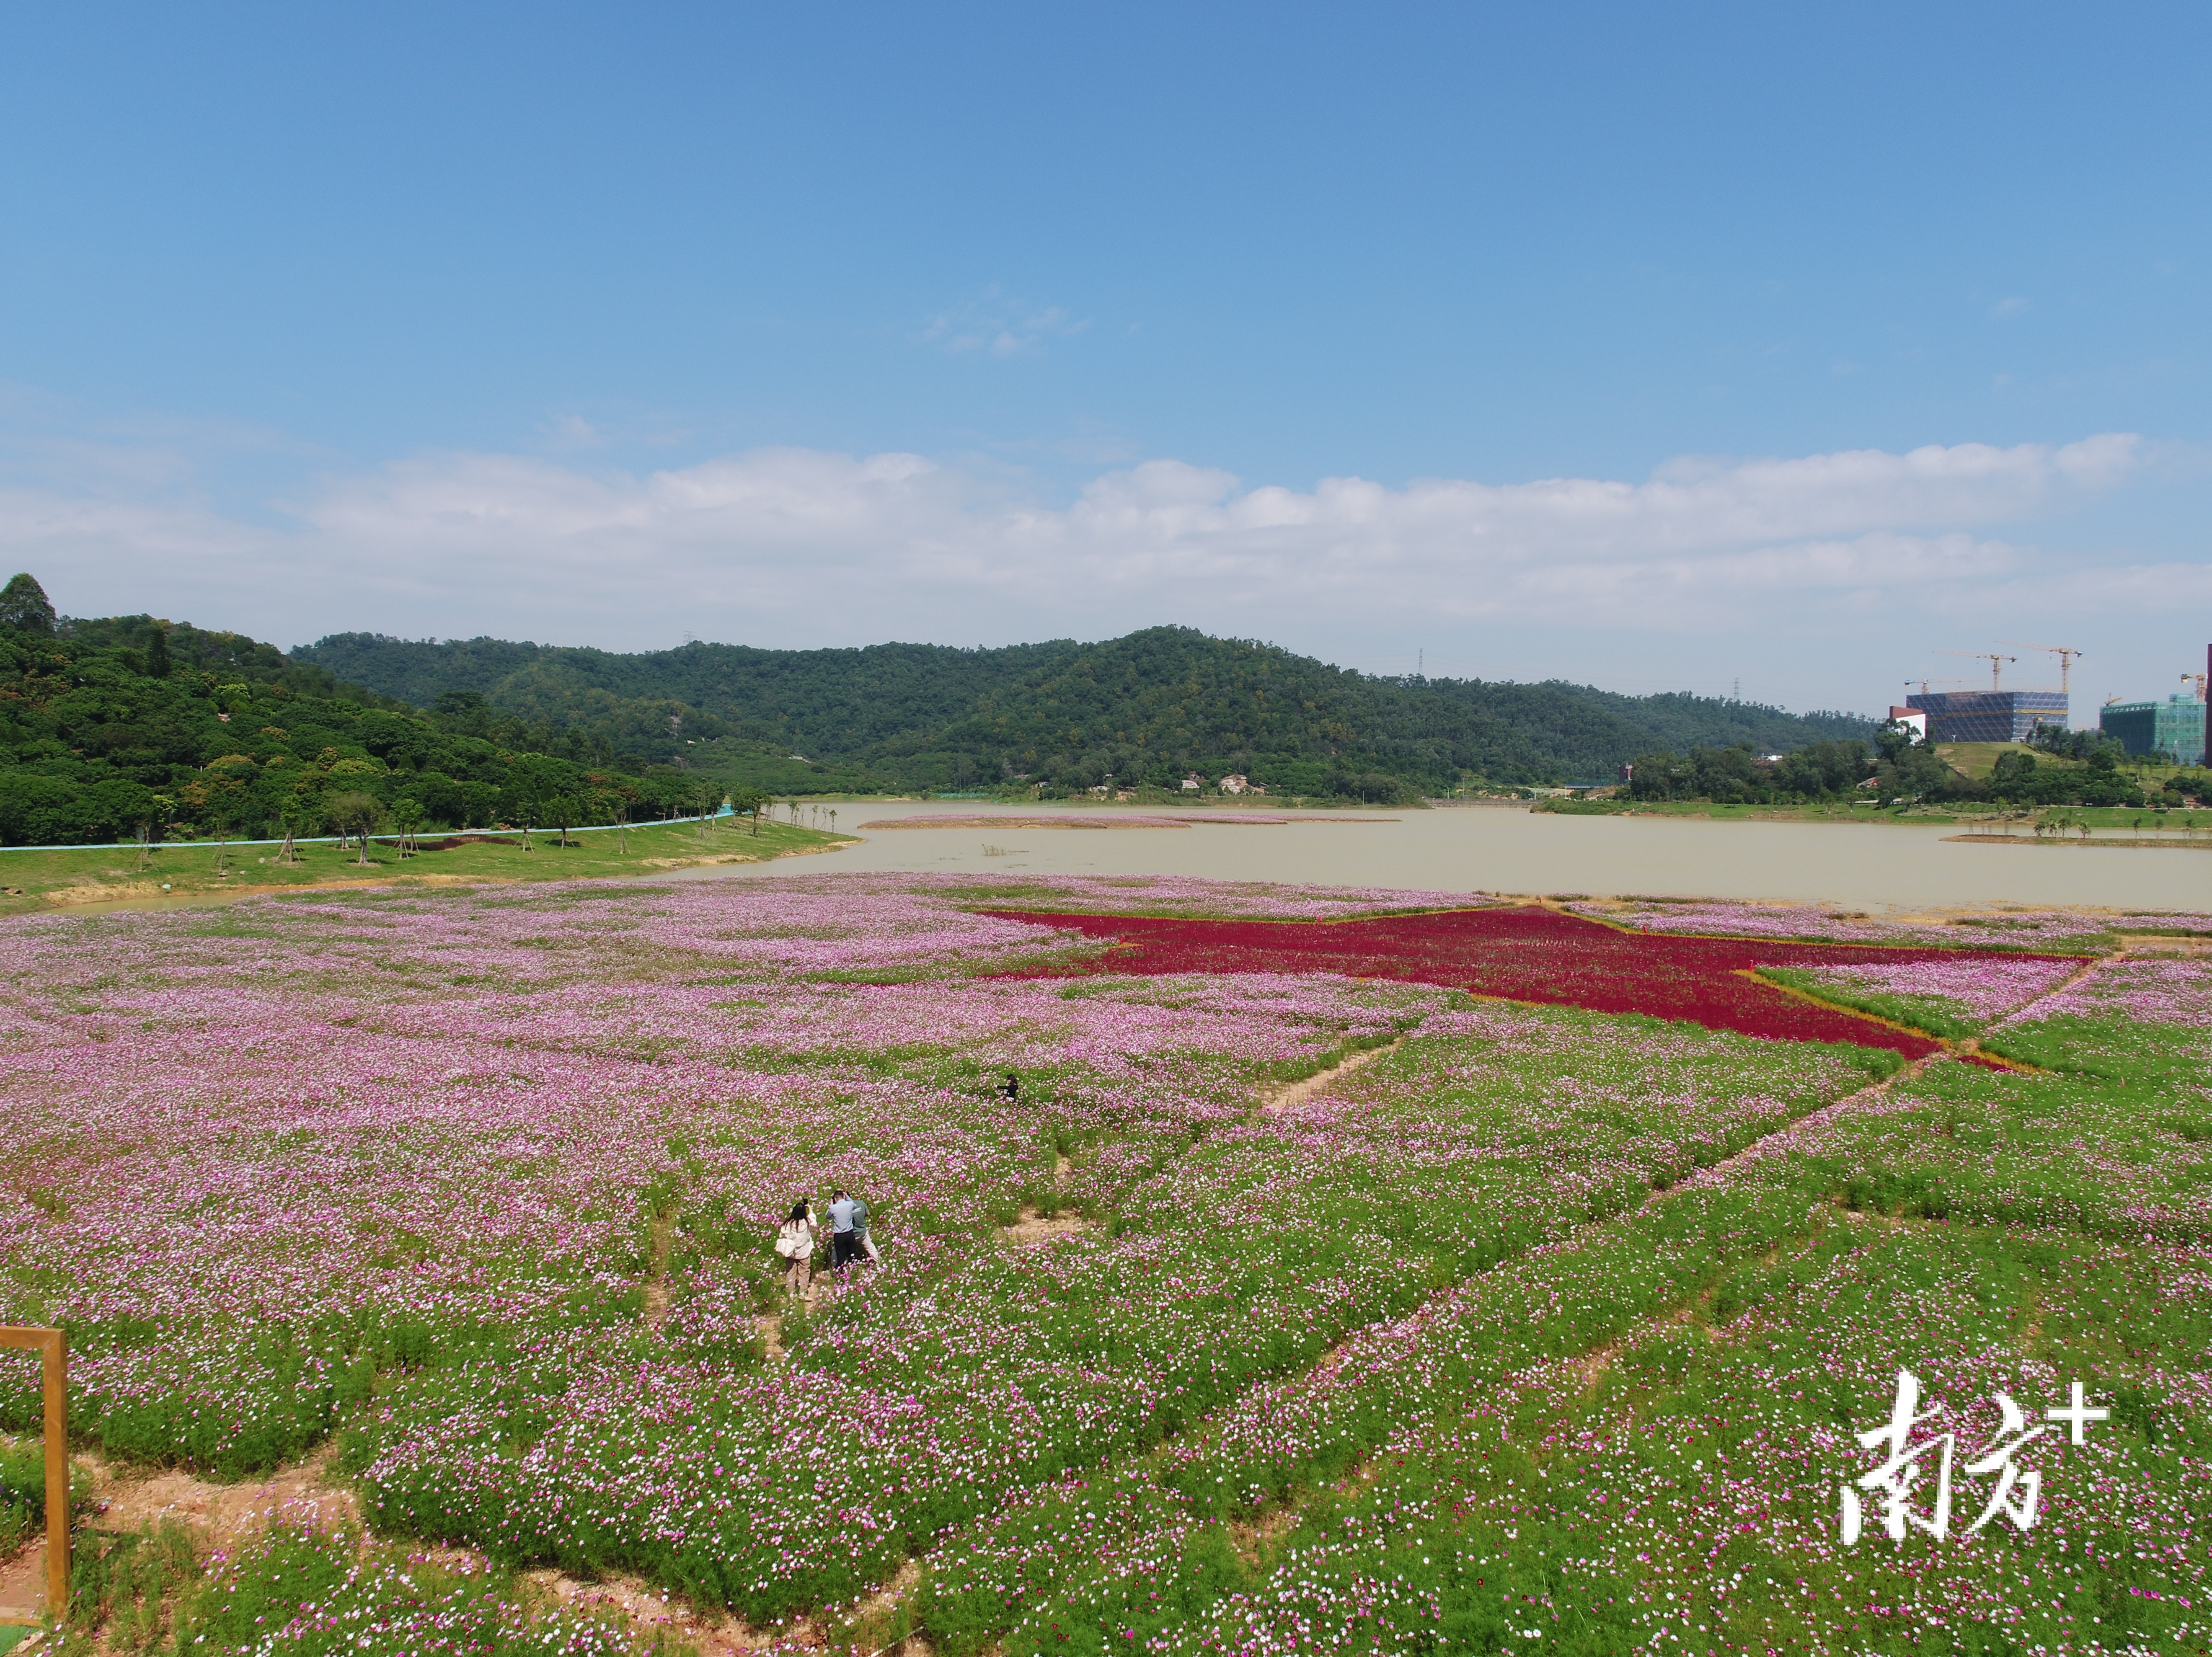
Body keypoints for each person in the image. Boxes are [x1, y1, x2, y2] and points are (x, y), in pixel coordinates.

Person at [774, 1199, 817, 1297]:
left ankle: (791, 1292)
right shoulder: (807, 1223)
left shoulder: (788, 1224)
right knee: (805, 1271)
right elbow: (813, 1219)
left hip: (791, 1253)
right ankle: (803, 1292)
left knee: (790, 1271)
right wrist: (810, 1208)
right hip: (804, 1252)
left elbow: (782, 1234)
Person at [826, 1186, 859, 1275]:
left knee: (841, 1256)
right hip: (850, 1234)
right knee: (852, 1253)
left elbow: (827, 1217)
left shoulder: (833, 1208)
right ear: (844, 1196)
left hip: (840, 1235)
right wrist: (847, 1197)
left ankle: (841, 1274)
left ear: (835, 1199)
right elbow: (854, 1204)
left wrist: (831, 1205)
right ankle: (854, 1270)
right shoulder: (850, 1204)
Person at [850, 1192, 881, 1265]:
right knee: (871, 1248)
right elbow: (868, 1214)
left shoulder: (843, 1209)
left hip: (851, 1235)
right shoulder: (861, 1203)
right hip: (862, 1233)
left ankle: (836, 1268)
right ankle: (881, 1264)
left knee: (839, 1249)